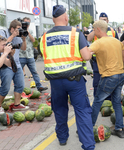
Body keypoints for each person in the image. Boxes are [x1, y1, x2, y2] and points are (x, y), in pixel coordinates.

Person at [40, 5, 95, 150]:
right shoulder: (76, 33)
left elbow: (45, 56)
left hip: (55, 82)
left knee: (60, 109)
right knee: (82, 111)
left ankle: (62, 138)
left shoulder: (44, 37)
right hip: (75, 81)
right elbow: (86, 56)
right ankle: (88, 145)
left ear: (53, 19)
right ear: (66, 17)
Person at [89, 20, 124, 138]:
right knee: (116, 102)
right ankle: (119, 129)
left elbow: (86, 55)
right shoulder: (117, 41)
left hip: (109, 77)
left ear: (98, 30)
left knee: (97, 102)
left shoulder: (98, 43)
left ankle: (88, 129)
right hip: (120, 75)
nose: (94, 32)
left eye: (94, 30)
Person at [0, 19, 29, 115]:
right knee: (5, 87)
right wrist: (13, 35)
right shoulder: (2, 33)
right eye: (18, 29)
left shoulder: (19, 36)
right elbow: (1, 46)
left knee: (20, 85)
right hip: (6, 63)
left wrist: (24, 39)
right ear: (12, 29)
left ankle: (17, 104)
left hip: (16, 64)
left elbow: (23, 48)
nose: (19, 31)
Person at [87, 12, 119, 98]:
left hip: (109, 62)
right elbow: (89, 39)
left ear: (108, 21)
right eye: (101, 20)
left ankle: (108, 102)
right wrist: (95, 29)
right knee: (97, 83)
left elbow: (118, 46)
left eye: (104, 20)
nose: (103, 22)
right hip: (97, 62)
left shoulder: (112, 31)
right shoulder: (94, 30)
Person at [19, 17, 48, 92]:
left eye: (28, 23)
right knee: (19, 73)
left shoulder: (30, 31)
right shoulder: (19, 31)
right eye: (25, 22)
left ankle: (39, 86)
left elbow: (33, 40)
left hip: (30, 55)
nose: (27, 24)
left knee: (34, 71)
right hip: (21, 55)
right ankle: (19, 88)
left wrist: (27, 32)